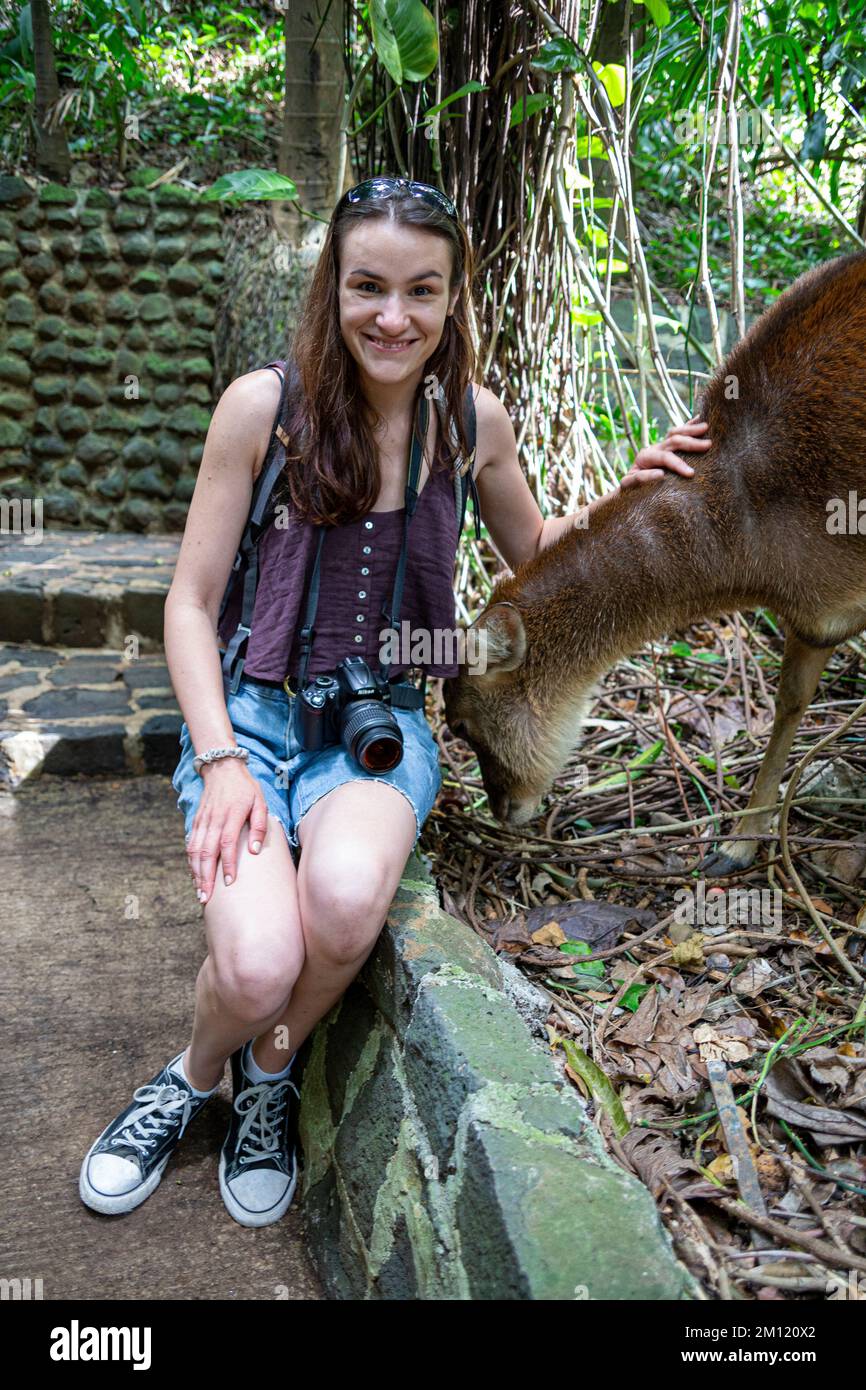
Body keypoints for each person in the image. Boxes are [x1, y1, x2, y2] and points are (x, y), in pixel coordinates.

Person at [79, 176, 712, 1228]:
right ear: (333, 285)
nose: (392, 315)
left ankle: (270, 1076)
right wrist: (224, 760)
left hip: (376, 728)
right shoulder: (261, 408)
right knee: (253, 960)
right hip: (250, 720)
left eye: (422, 291)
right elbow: (187, 605)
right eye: (367, 285)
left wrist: (627, 495)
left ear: (453, 300)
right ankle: (191, 1078)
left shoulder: (469, 422)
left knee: (337, 906)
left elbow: (539, 553)